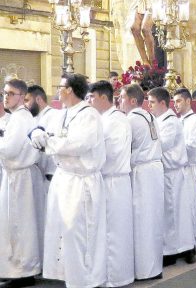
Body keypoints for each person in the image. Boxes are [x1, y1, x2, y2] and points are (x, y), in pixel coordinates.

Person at [30, 73, 107, 288]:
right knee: (60, 229)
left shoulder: (89, 115)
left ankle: (85, 280)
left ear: (70, 90)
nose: (57, 90)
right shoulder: (62, 113)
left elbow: (78, 144)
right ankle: (68, 276)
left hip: (81, 181)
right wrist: (38, 132)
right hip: (63, 179)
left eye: (60, 86)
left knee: (78, 231)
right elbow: (44, 129)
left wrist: (48, 143)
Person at [89, 81, 135, 287]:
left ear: (103, 98)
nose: (89, 101)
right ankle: (105, 275)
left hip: (113, 180)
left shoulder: (115, 120)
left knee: (113, 232)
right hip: (107, 179)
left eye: (92, 97)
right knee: (106, 229)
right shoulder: (104, 119)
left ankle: (114, 277)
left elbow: (110, 153)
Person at [0, 78, 44, 288]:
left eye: (10, 94)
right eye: (4, 93)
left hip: (20, 177)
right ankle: (13, 269)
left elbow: (9, 149)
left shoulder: (20, 118)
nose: (5, 97)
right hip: (14, 175)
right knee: (11, 225)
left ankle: (24, 271)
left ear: (21, 97)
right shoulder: (15, 117)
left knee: (20, 225)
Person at [118, 84, 165, 280]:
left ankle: (143, 270)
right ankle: (153, 267)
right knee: (152, 220)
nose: (118, 101)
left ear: (133, 101)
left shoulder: (130, 120)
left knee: (141, 221)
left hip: (142, 172)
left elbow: (123, 149)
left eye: (121, 97)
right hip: (154, 170)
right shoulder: (149, 115)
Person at [148, 87, 196, 266]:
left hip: (173, 172)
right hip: (167, 172)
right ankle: (178, 248)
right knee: (172, 213)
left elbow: (162, 144)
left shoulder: (169, 121)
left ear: (162, 103)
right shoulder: (159, 119)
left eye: (152, 102)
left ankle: (176, 250)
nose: (149, 106)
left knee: (174, 213)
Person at [173, 88, 196, 248]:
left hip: (193, 169)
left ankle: (195, 241)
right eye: (173, 102)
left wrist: (174, 150)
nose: (175, 105)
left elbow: (194, 147)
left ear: (188, 101)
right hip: (181, 169)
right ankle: (184, 241)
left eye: (179, 101)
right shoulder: (177, 121)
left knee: (194, 205)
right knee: (183, 208)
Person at [25, 85, 60, 188]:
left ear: (38, 99)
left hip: (51, 176)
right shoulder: (32, 118)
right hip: (37, 175)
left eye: (27, 100)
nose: (24, 105)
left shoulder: (55, 116)